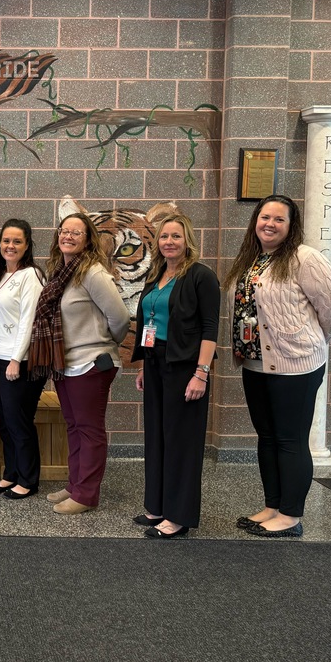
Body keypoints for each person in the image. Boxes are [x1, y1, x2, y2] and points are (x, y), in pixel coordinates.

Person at [224, 194, 331, 538]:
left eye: (279, 219)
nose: (270, 224)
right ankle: (273, 506)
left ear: (291, 226)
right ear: (255, 221)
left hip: (296, 366)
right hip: (256, 363)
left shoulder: (304, 258)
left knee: (290, 440)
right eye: (265, 217)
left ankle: (290, 516)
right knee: (267, 438)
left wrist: (310, 341)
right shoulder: (252, 259)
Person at [29, 213, 129, 516]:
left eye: (76, 232)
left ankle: (86, 494)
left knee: (89, 430)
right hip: (64, 362)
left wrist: (102, 341)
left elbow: (120, 318)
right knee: (73, 426)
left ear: (87, 240)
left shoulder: (93, 273)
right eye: (64, 231)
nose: (68, 236)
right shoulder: (61, 273)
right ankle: (75, 485)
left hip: (91, 363)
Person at [131, 214, 220, 538]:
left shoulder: (201, 276)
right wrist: (143, 365)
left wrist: (201, 373)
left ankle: (178, 516)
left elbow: (210, 328)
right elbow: (148, 323)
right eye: (164, 236)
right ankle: (157, 506)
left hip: (185, 367)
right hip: (155, 363)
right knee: (157, 436)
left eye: (176, 236)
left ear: (187, 240)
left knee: (182, 442)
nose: (169, 242)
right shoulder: (156, 275)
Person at [0, 219, 47, 500]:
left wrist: (16, 359)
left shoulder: (31, 275)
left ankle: (28, 480)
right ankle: (11, 473)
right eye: (6, 240)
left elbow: (29, 321)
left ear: (27, 245)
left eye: (17, 241)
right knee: (5, 420)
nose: (10, 246)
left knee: (19, 421)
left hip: (18, 360)